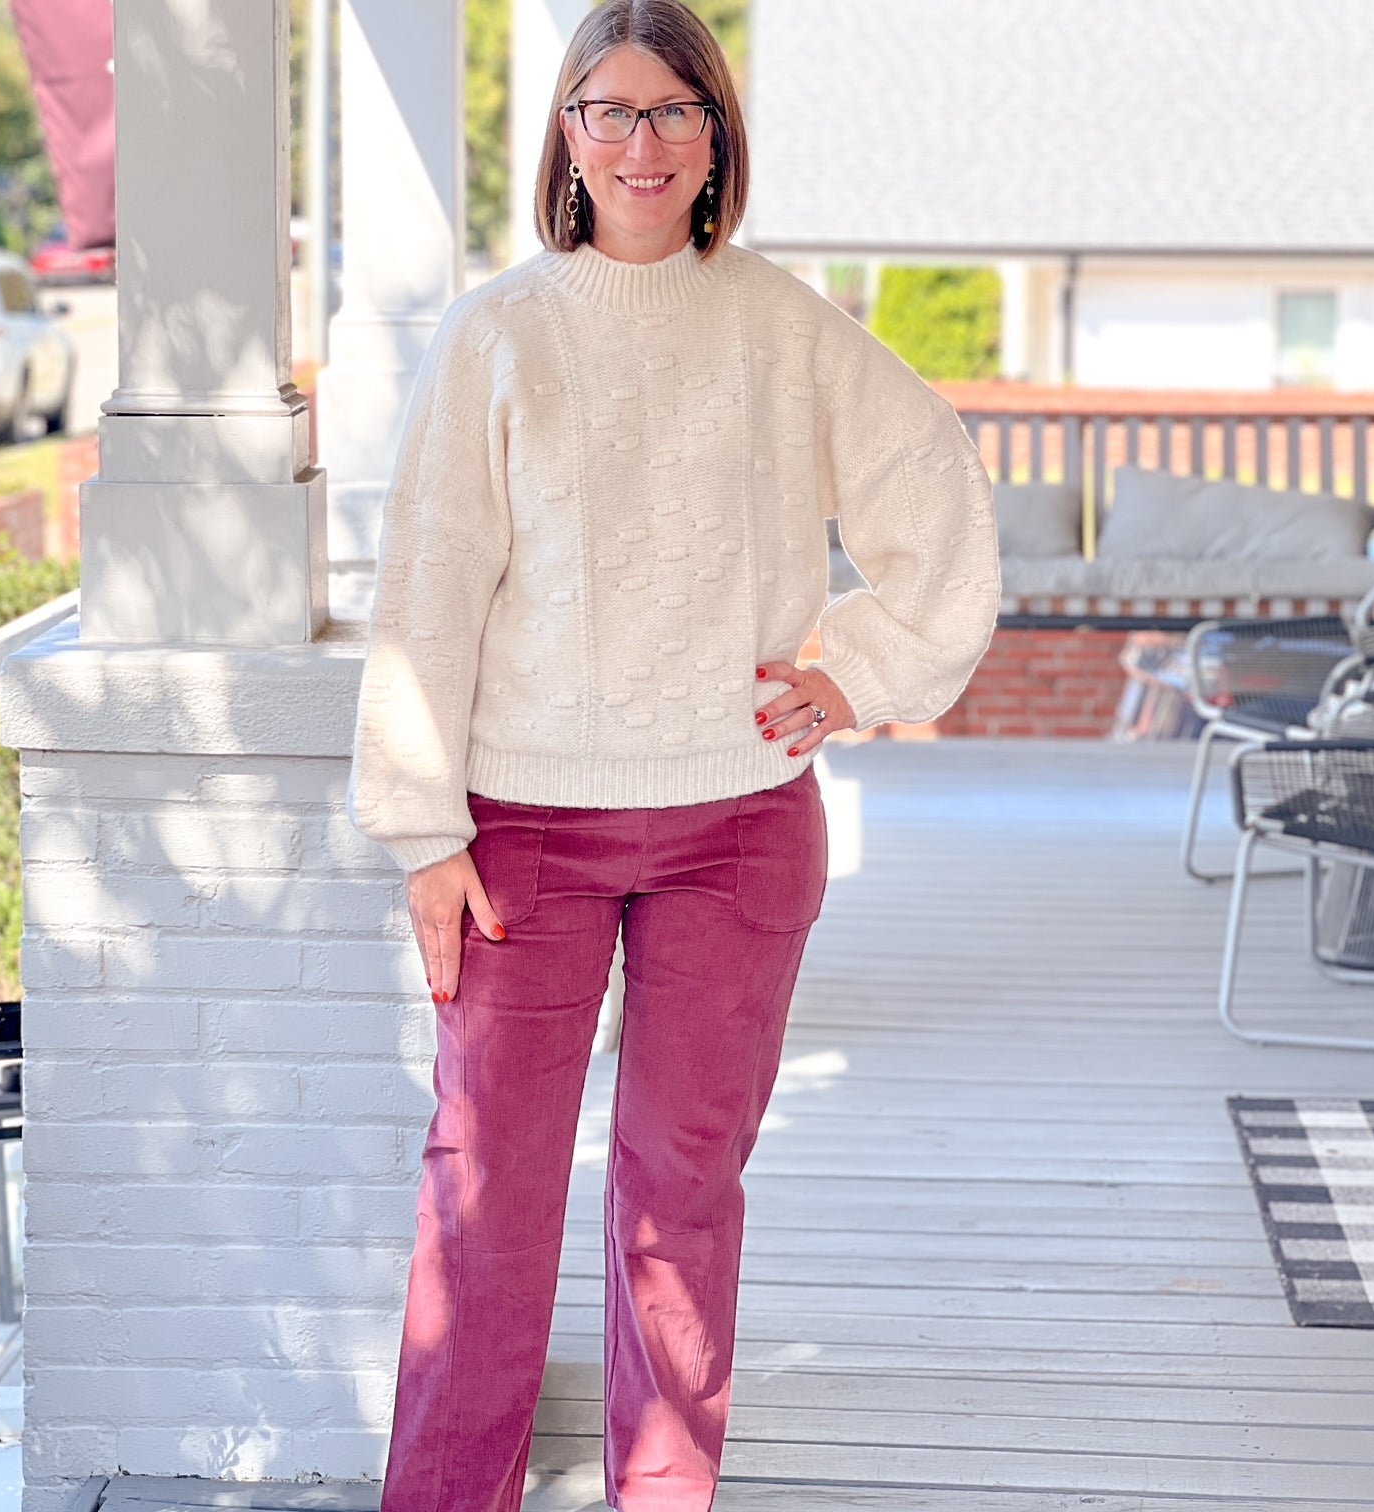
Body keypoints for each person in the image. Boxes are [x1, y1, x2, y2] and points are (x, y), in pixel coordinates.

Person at [348, 2, 999, 1506]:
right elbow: (429, 586)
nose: (640, 145)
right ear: (567, 138)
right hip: (519, 835)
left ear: (718, 139)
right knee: (484, 1207)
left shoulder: (784, 327)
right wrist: (421, 828)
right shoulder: (499, 334)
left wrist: (856, 674)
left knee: (680, 1205)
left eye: (672, 113)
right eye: (608, 111)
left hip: (737, 830)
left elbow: (937, 489)